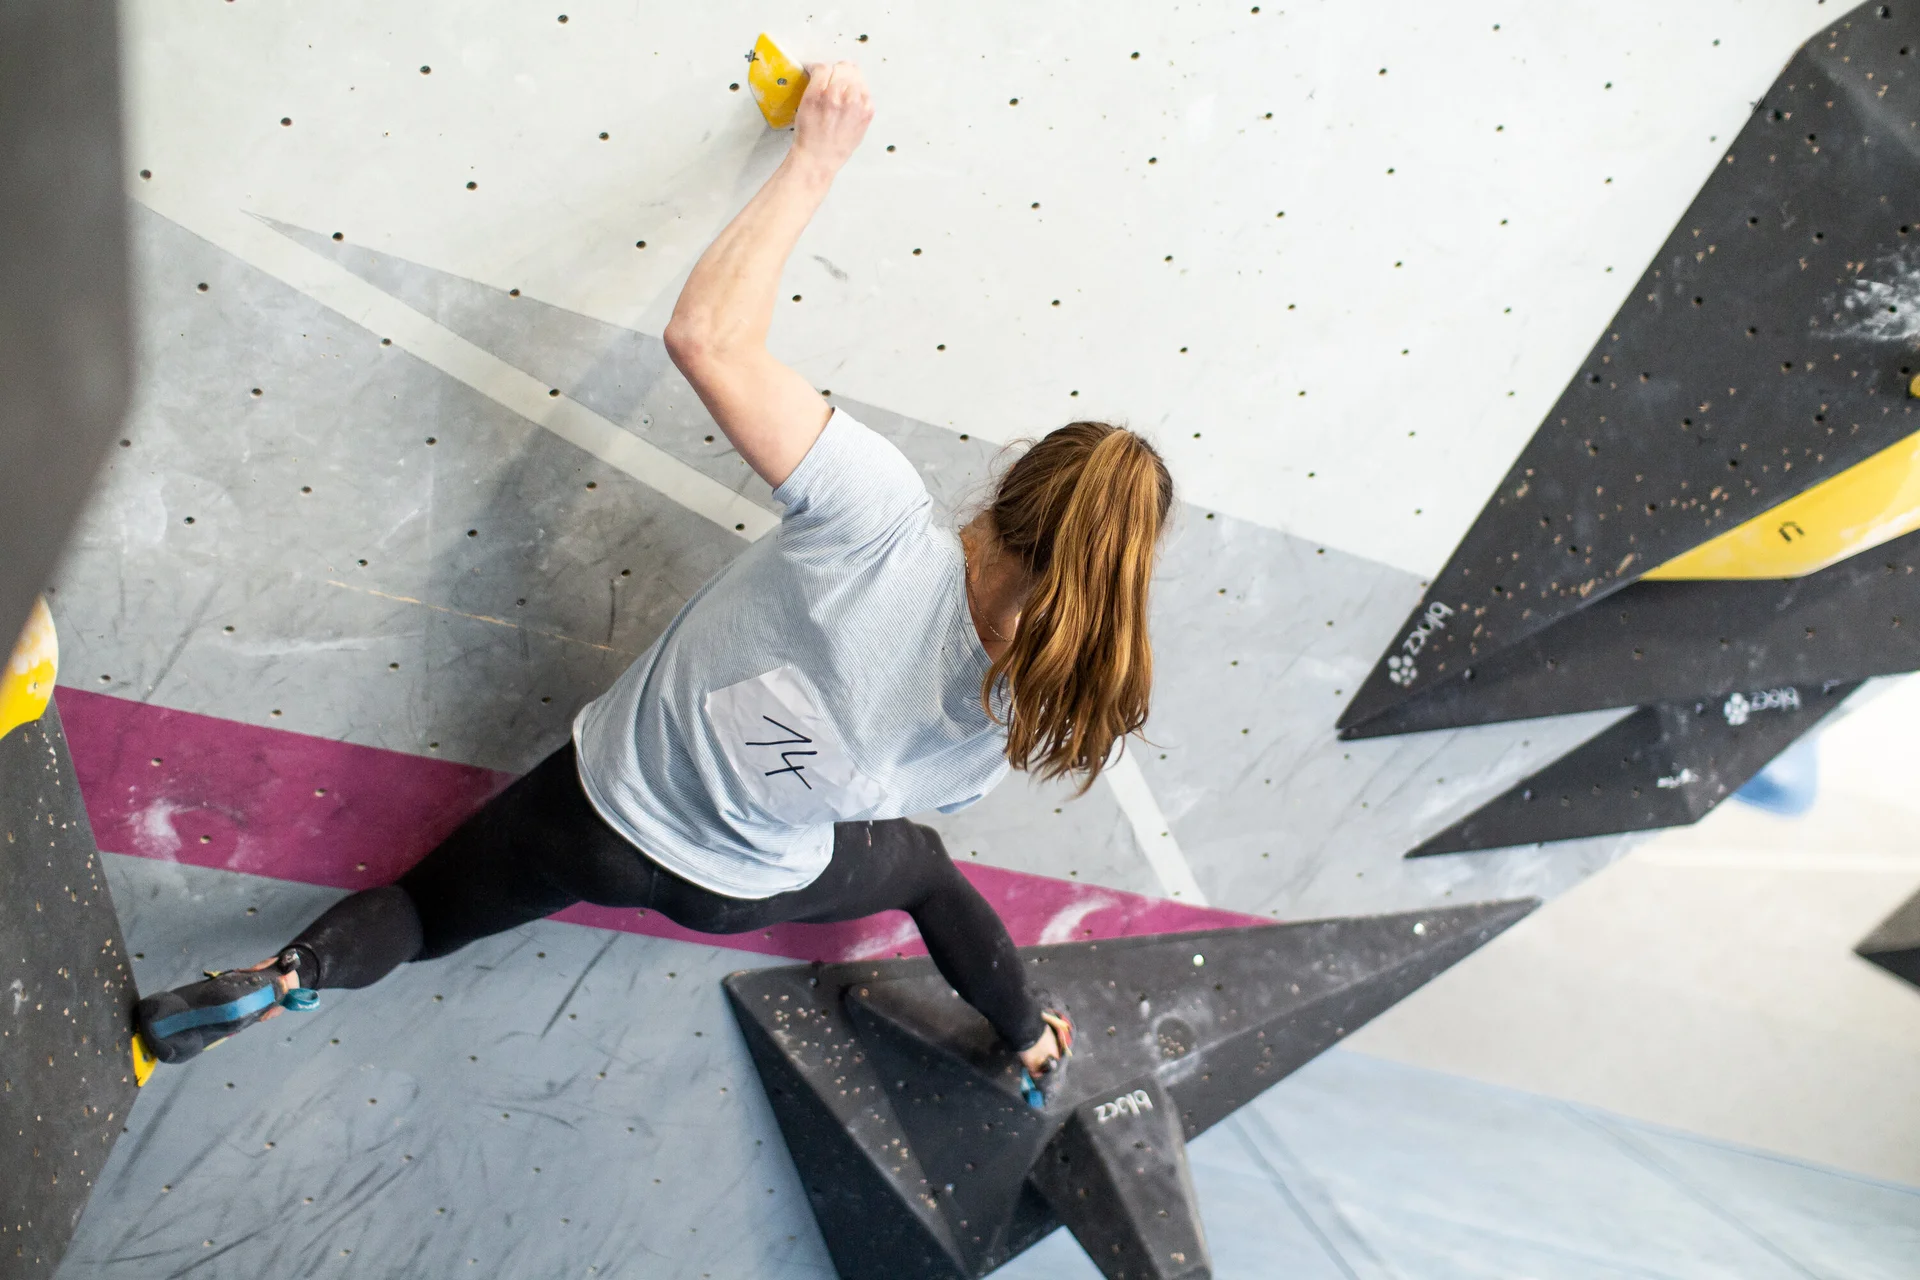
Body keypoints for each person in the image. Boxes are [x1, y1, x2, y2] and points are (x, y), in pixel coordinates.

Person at [136, 61, 1171, 1105]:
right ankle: (1030, 1036)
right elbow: (890, 782)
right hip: (731, 887)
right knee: (925, 869)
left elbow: (708, 338)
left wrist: (815, 157)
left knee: (418, 907)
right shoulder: (1019, 711)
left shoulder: (880, 514)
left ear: (1010, 483)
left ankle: (288, 974)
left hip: (595, 811)